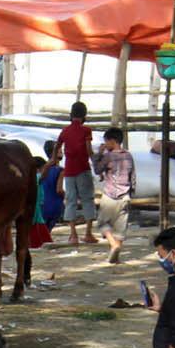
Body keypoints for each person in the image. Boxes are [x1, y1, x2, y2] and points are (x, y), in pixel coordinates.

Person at [93, 127, 136, 265]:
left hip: (110, 195)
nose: (105, 144)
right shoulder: (128, 156)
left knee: (102, 223)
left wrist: (98, 154)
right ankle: (116, 256)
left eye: (106, 142)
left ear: (112, 141)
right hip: (125, 195)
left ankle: (113, 245)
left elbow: (97, 169)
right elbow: (133, 176)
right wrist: (131, 193)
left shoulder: (108, 156)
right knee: (120, 227)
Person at [56, 101, 96, 246]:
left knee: (70, 201)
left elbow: (57, 145)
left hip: (69, 170)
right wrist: (96, 161)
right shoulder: (86, 130)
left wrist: (54, 159)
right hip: (83, 168)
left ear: (71, 115)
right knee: (87, 200)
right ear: (84, 115)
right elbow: (89, 150)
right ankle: (88, 233)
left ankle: (73, 235)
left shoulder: (65, 131)